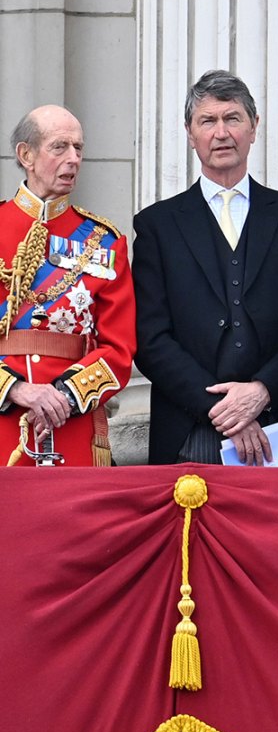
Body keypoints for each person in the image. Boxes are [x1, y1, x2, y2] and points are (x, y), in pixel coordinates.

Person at [133, 71, 278, 466]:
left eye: (232, 118)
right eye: (208, 121)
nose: (221, 132)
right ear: (190, 134)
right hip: (189, 431)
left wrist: (261, 391)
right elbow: (150, 338)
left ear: (253, 128)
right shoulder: (157, 225)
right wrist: (226, 411)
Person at [1, 105, 134, 466]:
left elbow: (120, 349)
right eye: (59, 147)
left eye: (79, 148)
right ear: (26, 155)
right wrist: (19, 389)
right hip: (5, 419)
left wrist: (63, 397)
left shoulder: (105, 241)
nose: (73, 158)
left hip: (73, 422)